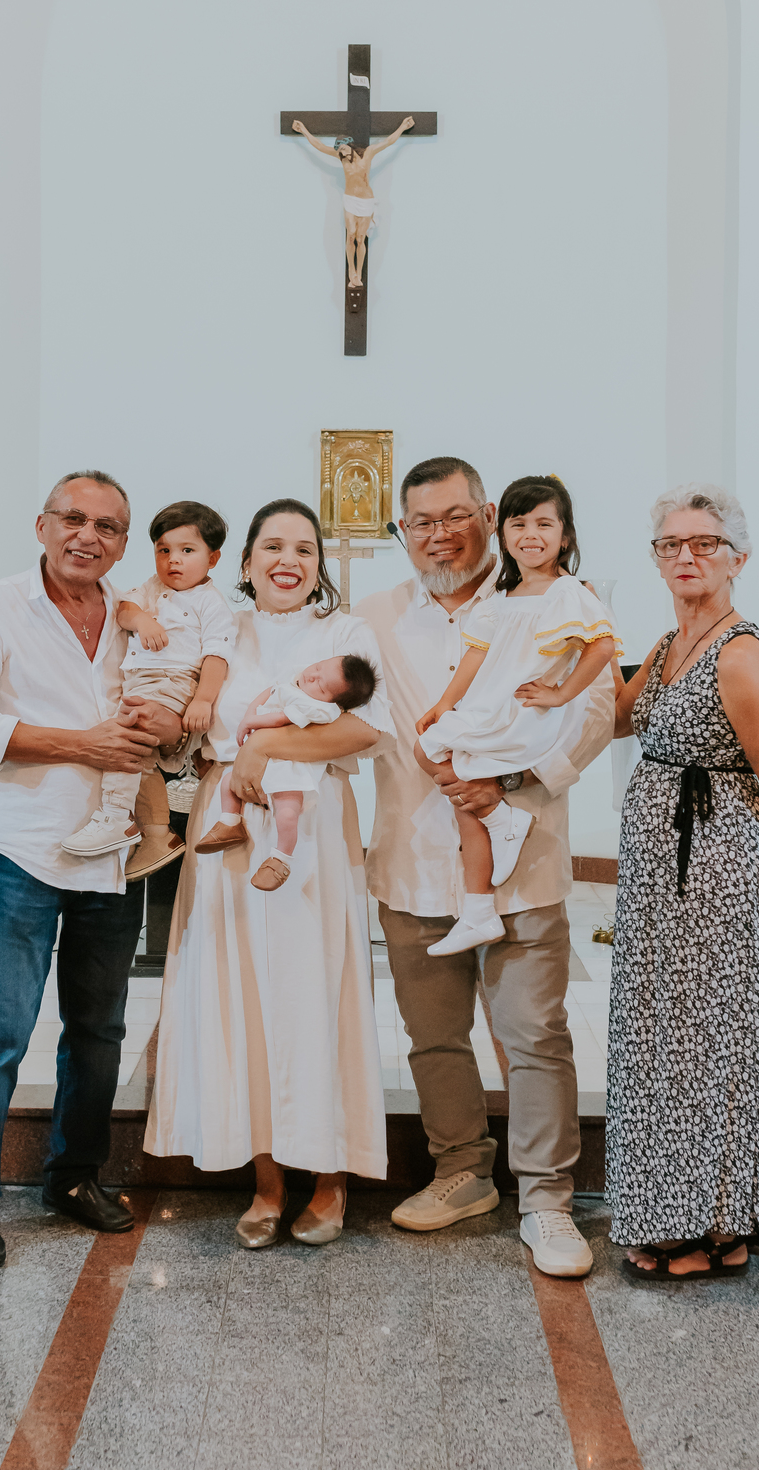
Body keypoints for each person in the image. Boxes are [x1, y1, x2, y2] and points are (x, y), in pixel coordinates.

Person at [356, 458, 614, 1278]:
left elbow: (598, 709)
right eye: (419, 523)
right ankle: (462, 1171)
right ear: (402, 532)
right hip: (409, 861)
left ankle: (546, 1200)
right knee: (433, 1039)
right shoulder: (373, 617)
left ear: (490, 514)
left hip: (521, 855)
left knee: (534, 1033)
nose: (437, 536)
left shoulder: (545, 603)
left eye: (453, 517)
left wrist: (511, 778)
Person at [0, 471, 174, 1268]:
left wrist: (167, 723)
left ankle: (74, 1176)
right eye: (74, 519)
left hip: (113, 855)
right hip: (26, 848)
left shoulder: (140, 621)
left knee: (98, 1031)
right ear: (42, 526)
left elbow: (172, 718)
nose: (89, 536)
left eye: (108, 526)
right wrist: (85, 744)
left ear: (122, 542)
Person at [145, 500, 393, 1249]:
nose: (289, 560)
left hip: (310, 837)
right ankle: (266, 1180)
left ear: (320, 566)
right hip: (227, 835)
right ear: (245, 560)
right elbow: (183, 709)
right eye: (274, 546)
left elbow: (365, 728)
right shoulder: (220, 629)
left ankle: (330, 1176)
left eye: (305, 550)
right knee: (240, 997)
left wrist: (262, 748)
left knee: (315, 993)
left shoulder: (345, 633)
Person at [606, 483, 759, 1280]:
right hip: (661, 879)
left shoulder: (739, 651)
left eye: (704, 543)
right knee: (665, 1041)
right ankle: (684, 1216)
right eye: (670, 545)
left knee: (707, 1049)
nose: (686, 556)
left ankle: (711, 1225)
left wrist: (750, 875)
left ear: (738, 558)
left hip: (717, 877)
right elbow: (615, 716)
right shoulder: (668, 644)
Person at [414, 475, 620, 954]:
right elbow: (476, 655)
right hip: (489, 709)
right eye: (519, 523)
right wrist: (445, 703)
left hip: (522, 718)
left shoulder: (567, 592)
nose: (531, 534)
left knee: (446, 764)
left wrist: (561, 694)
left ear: (565, 535)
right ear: (501, 533)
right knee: (439, 761)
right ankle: (483, 893)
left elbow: (602, 644)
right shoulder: (503, 598)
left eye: (544, 524)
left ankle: (483, 886)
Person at [61, 501, 234, 858]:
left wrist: (203, 700)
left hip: (175, 682)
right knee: (139, 755)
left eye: (187, 551)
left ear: (212, 558)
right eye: (164, 550)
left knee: (126, 739)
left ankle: (115, 816)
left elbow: (217, 657)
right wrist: (142, 621)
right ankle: (156, 830)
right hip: (139, 683)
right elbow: (125, 609)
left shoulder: (210, 603)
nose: (173, 560)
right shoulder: (152, 586)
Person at [197, 653, 377, 890]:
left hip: (289, 769)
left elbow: (281, 719)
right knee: (227, 783)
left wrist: (253, 723)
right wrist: (250, 714)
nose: (312, 676)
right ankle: (230, 822)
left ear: (333, 701)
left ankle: (281, 858)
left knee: (288, 813)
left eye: (320, 685)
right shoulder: (296, 683)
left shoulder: (319, 708)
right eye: (317, 667)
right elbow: (269, 692)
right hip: (264, 762)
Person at [291, 114, 415, 287]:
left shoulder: (368, 154)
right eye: (339, 150)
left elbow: (387, 142)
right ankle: (352, 273)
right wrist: (303, 130)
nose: (341, 152)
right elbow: (319, 146)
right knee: (350, 236)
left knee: (360, 237)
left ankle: (359, 272)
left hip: (366, 201)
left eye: (342, 148)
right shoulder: (342, 160)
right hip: (350, 200)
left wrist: (402, 127)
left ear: (349, 144)